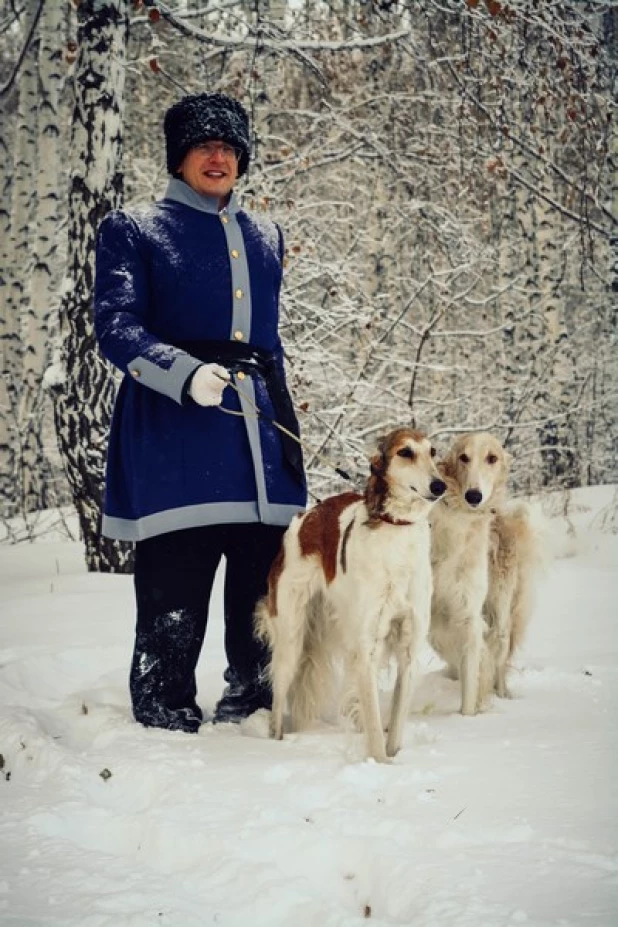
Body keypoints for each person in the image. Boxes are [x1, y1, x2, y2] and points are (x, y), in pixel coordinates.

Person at [94, 92, 307, 732]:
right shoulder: (133, 228)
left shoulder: (266, 235)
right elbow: (114, 325)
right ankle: (164, 712)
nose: (217, 157)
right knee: (176, 584)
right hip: (173, 436)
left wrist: (288, 437)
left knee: (261, 586)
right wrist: (184, 375)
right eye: (203, 146)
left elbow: (269, 348)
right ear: (179, 158)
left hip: (257, 443)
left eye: (228, 148)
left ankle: (254, 700)